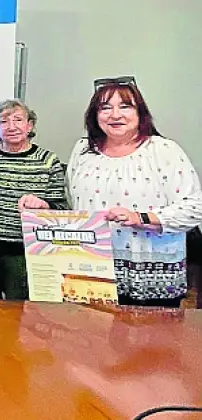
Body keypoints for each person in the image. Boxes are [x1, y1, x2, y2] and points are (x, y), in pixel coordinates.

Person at [35, 78, 202, 307]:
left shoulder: (164, 150)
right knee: (90, 329)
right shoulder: (83, 150)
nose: (115, 115)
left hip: (150, 279)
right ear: (95, 115)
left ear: (140, 113)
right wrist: (46, 209)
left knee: (151, 332)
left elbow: (194, 208)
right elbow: (74, 207)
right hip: (91, 274)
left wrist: (141, 218)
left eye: (125, 106)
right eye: (105, 108)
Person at [0, 99, 67, 300]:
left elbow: (62, 208)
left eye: (18, 120)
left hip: (25, 252)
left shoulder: (48, 161)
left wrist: (44, 205)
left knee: (21, 312)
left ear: (30, 125)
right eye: (3, 121)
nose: (11, 127)